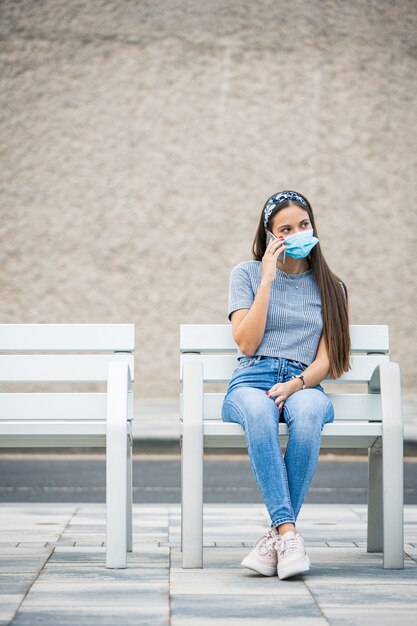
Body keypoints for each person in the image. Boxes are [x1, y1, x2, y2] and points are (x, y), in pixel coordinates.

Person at [221, 190, 350, 580]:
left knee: (309, 412)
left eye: (304, 225)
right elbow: (246, 342)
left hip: (304, 382)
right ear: (270, 236)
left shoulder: (332, 287)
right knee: (260, 412)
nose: (298, 233)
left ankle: (275, 536)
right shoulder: (246, 274)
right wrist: (267, 280)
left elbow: (326, 360)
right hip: (252, 379)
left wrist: (295, 385)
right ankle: (288, 533)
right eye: (286, 229)